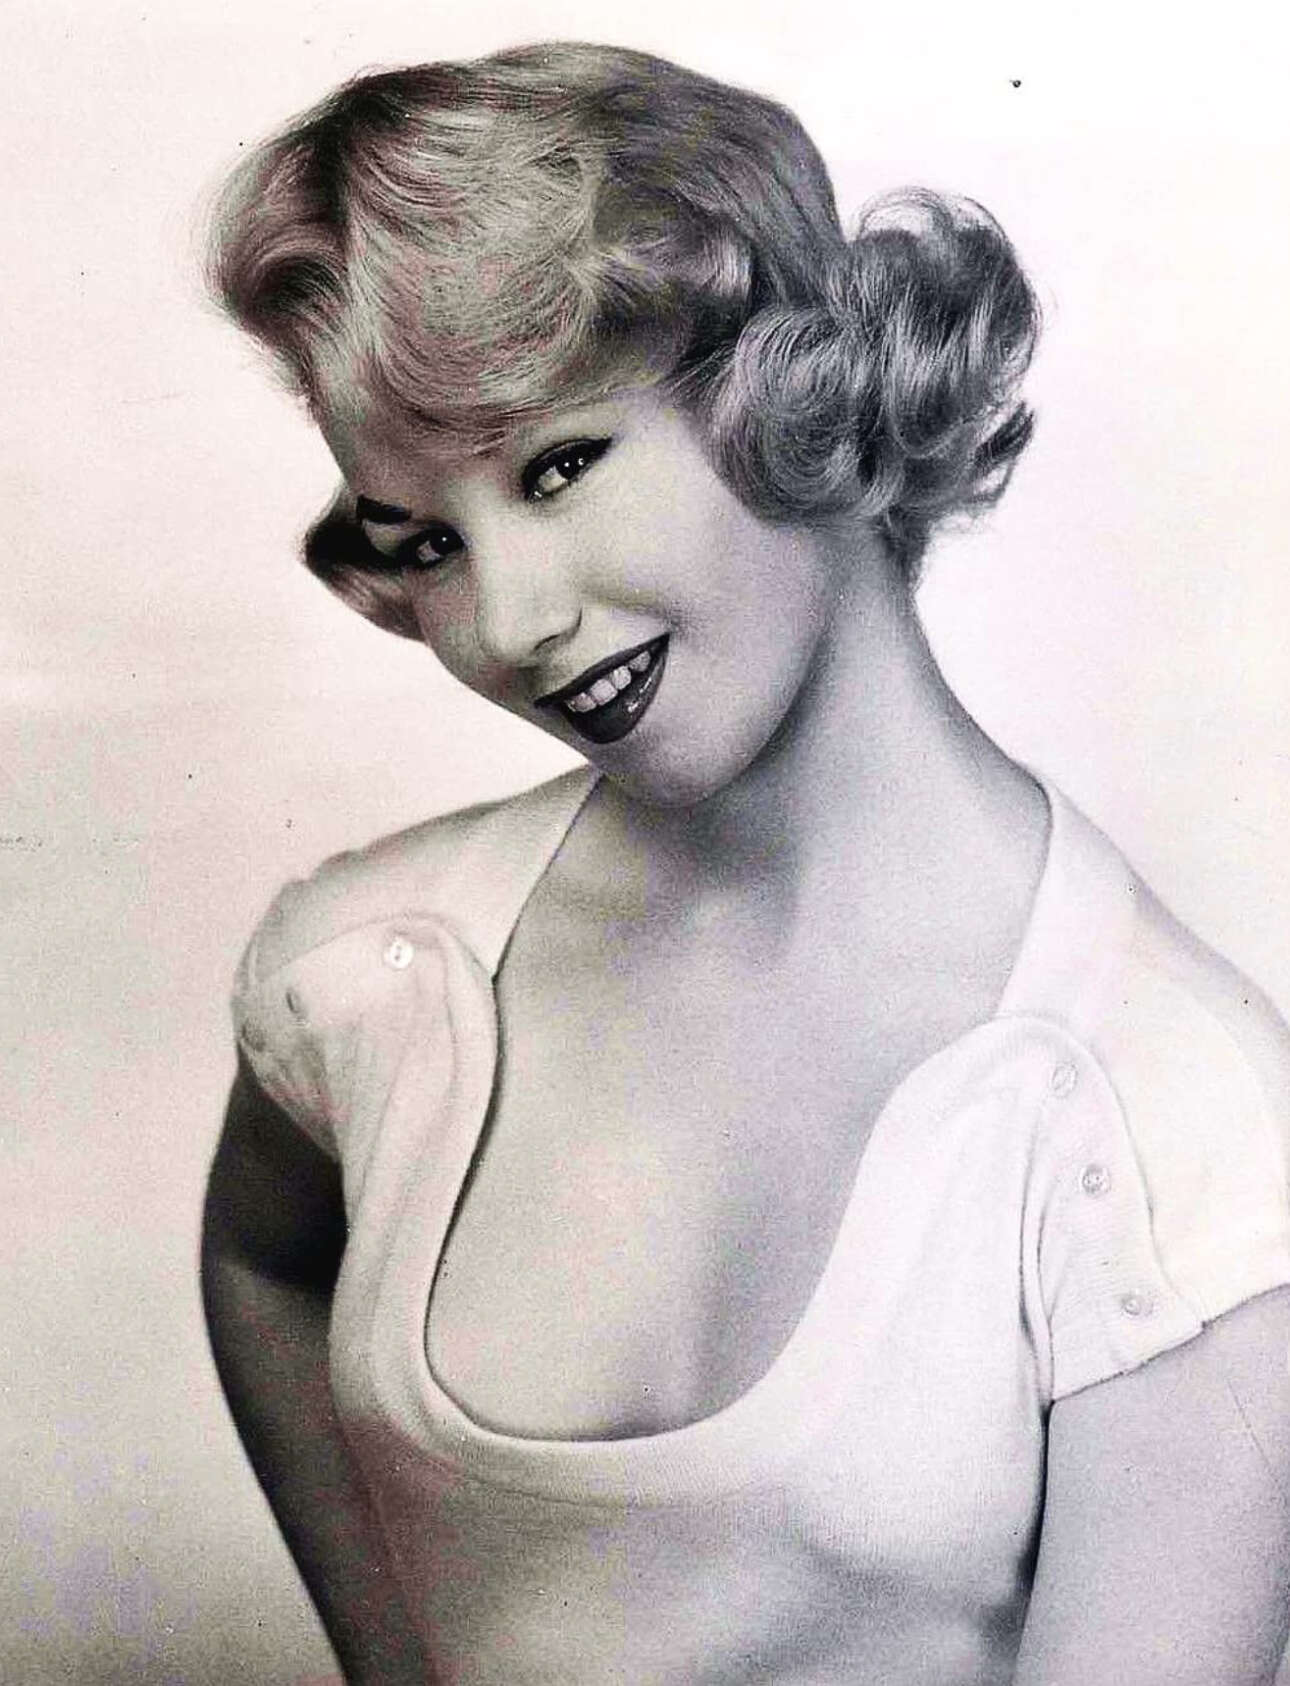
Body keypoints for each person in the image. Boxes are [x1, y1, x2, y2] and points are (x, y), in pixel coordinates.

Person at [200, 41, 1290, 1686]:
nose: (508, 622)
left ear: (794, 385)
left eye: (558, 465)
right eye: (427, 541)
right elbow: (262, 1261)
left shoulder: (1165, 1129)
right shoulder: (365, 973)